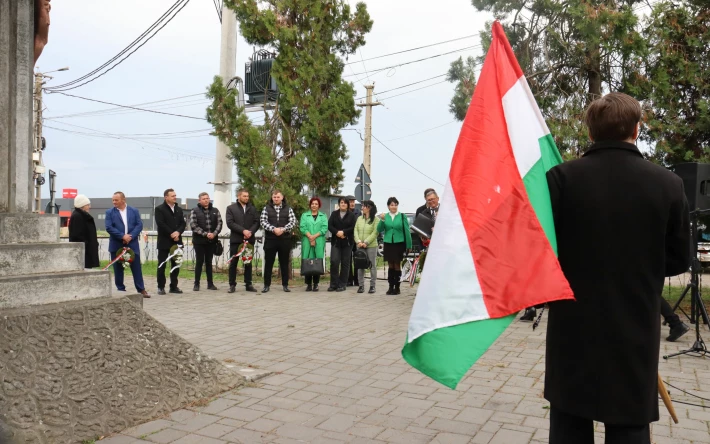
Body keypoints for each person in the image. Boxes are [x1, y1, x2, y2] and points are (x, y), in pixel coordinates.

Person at [544, 92, 691, 444]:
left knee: (569, 422)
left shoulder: (560, 178)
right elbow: (679, 258)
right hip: (635, 320)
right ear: (637, 130)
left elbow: (542, 249)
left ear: (590, 132)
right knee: (630, 423)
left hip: (572, 322)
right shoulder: (668, 183)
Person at [105, 192, 149, 298]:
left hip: (132, 243)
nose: (114, 202)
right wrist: (122, 236)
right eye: (113, 200)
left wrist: (130, 236)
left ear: (123, 200)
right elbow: (109, 227)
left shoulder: (134, 211)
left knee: (136, 267)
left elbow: (139, 225)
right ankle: (121, 290)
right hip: (116, 244)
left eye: (116, 200)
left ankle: (141, 289)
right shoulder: (109, 212)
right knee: (118, 269)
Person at [260, 190, 297, 293]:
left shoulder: (288, 209)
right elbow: (263, 221)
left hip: (284, 239)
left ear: (282, 197)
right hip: (270, 240)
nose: (276, 199)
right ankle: (266, 285)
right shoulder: (266, 208)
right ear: (272, 197)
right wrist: (273, 229)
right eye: (274, 197)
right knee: (268, 263)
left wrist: (283, 229)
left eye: (278, 197)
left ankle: (285, 285)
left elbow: (293, 221)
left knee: (284, 263)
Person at [226, 188, 260, 293]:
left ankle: (248, 284)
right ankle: (232, 284)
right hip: (236, 240)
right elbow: (230, 223)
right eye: (244, 196)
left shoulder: (252, 209)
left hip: (249, 239)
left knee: (248, 262)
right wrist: (243, 231)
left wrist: (250, 232)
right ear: (238, 196)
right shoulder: (231, 208)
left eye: (247, 196)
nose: (246, 198)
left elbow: (257, 222)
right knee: (233, 263)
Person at [378, 197, 412, 295]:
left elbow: (407, 231)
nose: (394, 206)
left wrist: (409, 245)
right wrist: (382, 220)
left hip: (398, 243)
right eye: (392, 205)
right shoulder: (385, 216)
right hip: (388, 243)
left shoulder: (402, 216)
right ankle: (390, 286)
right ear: (388, 206)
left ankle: (397, 287)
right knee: (390, 265)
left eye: (395, 204)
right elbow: (379, 229)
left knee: (397, 265)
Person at [154, 188, 185, 295]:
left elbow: (182, 223)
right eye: (172, 196)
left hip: (177, 241)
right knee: (162, 264)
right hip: (164, 241)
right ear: (166, 197)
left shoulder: (179, 209)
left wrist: (178, 232)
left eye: (175, 195)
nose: (175, 197)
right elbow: (161, 223)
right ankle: (161, 287)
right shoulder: (159, 209)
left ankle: (173, 286)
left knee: (176, 264)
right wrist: (172, 234)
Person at [189, 192, 222, 292]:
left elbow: (220, 223)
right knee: (199, 262)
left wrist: (214, 233)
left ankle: (210, 284)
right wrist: (205, 234)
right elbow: (193, 225)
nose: (206, 200)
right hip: (199, 241)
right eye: (203, 199)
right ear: (199, 200)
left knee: (209, 262)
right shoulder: (194, 210)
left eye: (207, 198)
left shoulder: (215, 210)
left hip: (211, 241)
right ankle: (196, 284)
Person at [327, 197, 357, 292]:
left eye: (345, 203)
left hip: (347, 242)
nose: (343, 204)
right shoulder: (334, 214)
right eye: (341, 202)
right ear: (339, 204)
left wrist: (344, 232)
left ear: (347, 205)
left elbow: (353, 227)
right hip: (336, 241)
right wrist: (337, 232)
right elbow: (330, 225)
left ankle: (342, 284)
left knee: (345, 263)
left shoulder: (351, 215)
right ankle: (333, 284)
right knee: (334, 261)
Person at [300, 197, 328, 292]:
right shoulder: (305, 215)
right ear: (310, 205)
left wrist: (314, 237)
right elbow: (302, 227)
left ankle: (316, 284)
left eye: (316, 204)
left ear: (319, 205)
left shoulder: (323, 216)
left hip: (319, 240)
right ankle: (308, 284)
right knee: (307, 261)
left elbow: (324, 228)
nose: (314, 205)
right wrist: (310, 236)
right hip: (307, 241)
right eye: (312, 204)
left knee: (317, 261)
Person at [68, 194, 99, 269]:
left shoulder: (82, 215)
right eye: (87, 205)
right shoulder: (77, 216)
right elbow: (77, 235)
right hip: (84, 251)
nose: (89, 207)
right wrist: (87, 244)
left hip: (86, 250)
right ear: (81, 205)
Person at [354, 200, 379, 294]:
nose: (362, 208)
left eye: (364, 206)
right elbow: (355, 230)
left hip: (371, 245)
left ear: (369, 208)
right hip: (360, 245)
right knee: (360, 265)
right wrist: (358, 241)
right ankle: (361, 286)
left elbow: (375, 232)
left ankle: (372, 286)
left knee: (372, 265)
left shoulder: (376, 220)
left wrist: (366, 242)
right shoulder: (359, 219)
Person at [347, 195, 362, 287]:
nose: (352, 203)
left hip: (357, 239)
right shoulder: (344, 212)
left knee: (357, 259)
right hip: (347, 239)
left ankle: (357, 279)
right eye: (350, 202)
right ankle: (349, 280)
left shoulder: (358, 212)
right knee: (347, 260)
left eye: (353, 202)